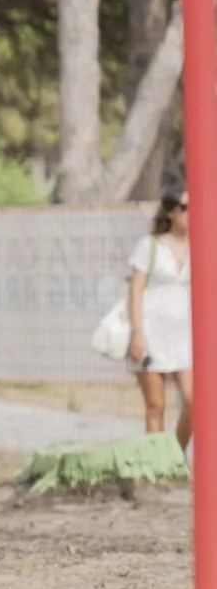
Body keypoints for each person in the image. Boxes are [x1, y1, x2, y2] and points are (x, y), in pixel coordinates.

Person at [128, 190, 194, 450]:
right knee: (156, 405)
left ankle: (175, 456)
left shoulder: (202, 244)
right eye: (185, 207)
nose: (190, 213)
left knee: (194, 401)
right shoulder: (150, 245)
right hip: (152, 333)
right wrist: (137, 332)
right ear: (171, 211)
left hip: (186, 335)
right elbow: (136, 289)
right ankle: (157, 467)